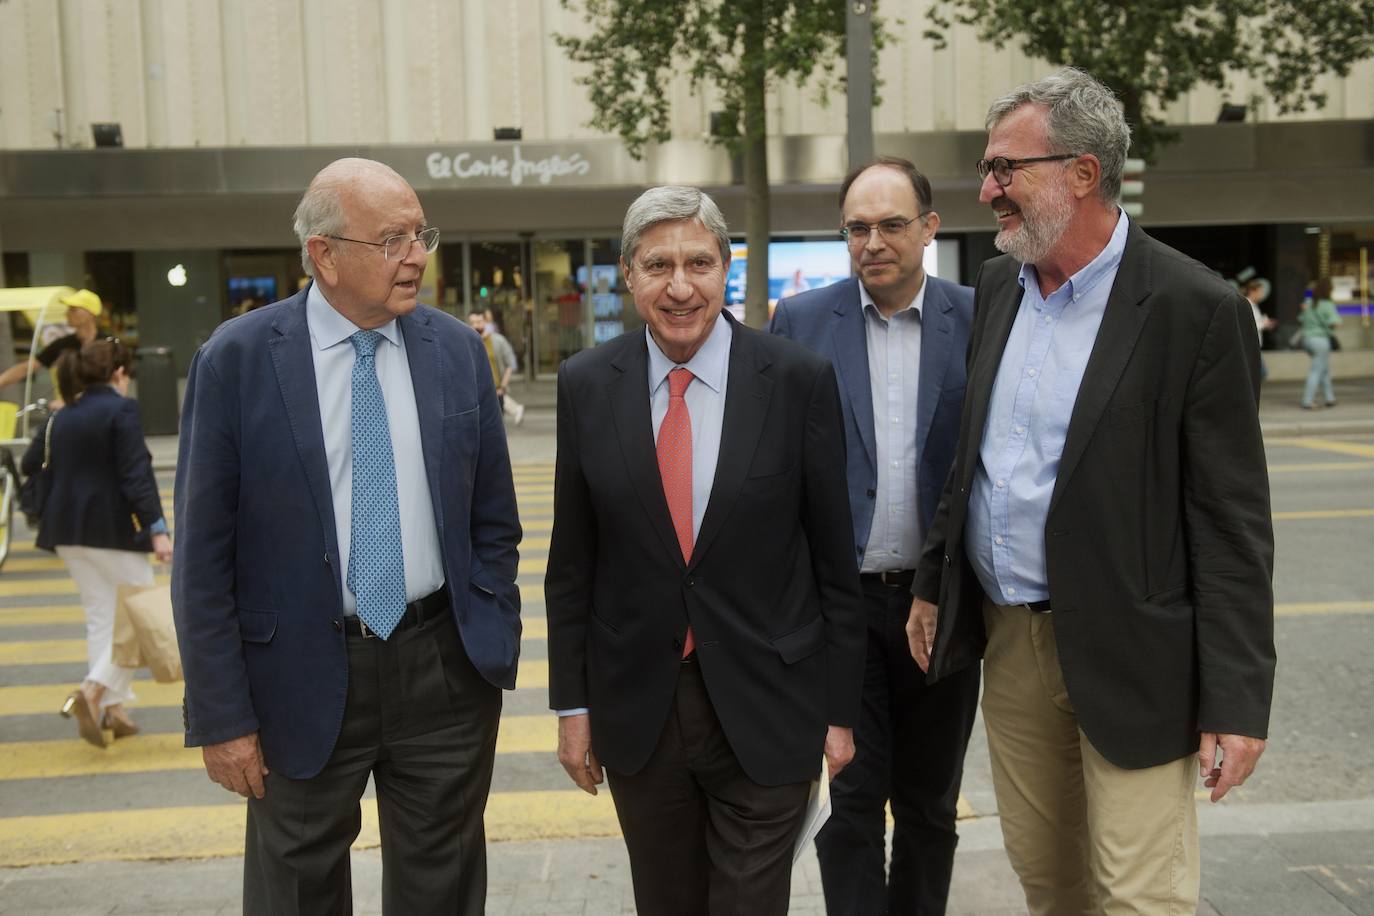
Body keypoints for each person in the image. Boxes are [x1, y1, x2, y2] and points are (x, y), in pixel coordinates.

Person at [906, 68, 1275, 916]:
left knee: (1140, 896)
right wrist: (934, 582)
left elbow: (1230, 524)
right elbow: (972, 462)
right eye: (988, 167)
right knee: (1051, 885)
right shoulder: (1000, 286)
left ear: (1083, 173)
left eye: (1006, 169)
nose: (987, 189)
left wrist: (1237, 699)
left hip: (1134, 654)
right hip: (1011, 645)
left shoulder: (1194, 307)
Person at [172, 158, 521, 914]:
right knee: (295, 886)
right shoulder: (236, 360)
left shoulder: (457, 351)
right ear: (324, 254)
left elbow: (493, 517)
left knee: (444, 885)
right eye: (392, 239)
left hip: (443, 670)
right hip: (296, 674)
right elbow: (201, 560)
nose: (418, 256)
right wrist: (223, 716)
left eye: (420, 235)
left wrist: (492, 627)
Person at [546, 185, 865, 915]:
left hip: (771, 704)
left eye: (698, 263)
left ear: (727, 268)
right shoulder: (587, 385)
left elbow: (833, 565)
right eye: (658, 265)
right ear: (627, 274)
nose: (680, 286)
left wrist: (840, 712)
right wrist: (573, 705)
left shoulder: (795, 380)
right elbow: (572, 567)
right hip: (641, 711)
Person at [770, 156, 978, 916]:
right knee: (850, 806)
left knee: (930, 805)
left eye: (892, 224)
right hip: (840, 613)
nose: (873, 241)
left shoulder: (981, 313)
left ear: (929, 227)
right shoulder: (800, 322)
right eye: (857, 227)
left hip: (941, 609)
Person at [21, 338, 173, 748]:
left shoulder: (62, 413)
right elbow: (135, 474)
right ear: (119, 374)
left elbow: (29, 463)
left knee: (103, 619)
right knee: (138, 621)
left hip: (66, 530)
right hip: (113, 530)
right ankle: (92, 691)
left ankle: (113, 711)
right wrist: (158, 528)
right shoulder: (120, 409)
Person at [0, 289, 103, 397]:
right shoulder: (63, 344)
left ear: (90, 314)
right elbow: (28, 367)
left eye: (73, 309)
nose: (66, 313)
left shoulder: (108, 343)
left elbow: (117, 378)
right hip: (73, 406)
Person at [1298, 277, 1341, 409]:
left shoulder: (1308, 302)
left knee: (1324, 369)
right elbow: (1335, 323)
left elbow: (1301, 318)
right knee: (1317, 371)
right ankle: (1307, 400)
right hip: (1321, 341)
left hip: (1307, 340)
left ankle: (1330, 398)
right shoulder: (1327, 304)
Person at [1242, 278, 1276, 381]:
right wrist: (1264, 324)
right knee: (1258, 373)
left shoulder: (1253, 305)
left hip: (1254, 345)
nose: (1262, 294)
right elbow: (1248, 325)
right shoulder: (1247, 304)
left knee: (1257, 374)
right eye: (1260, 291)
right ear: (1253, 291)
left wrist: (1265, 324)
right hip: (1250, 345)